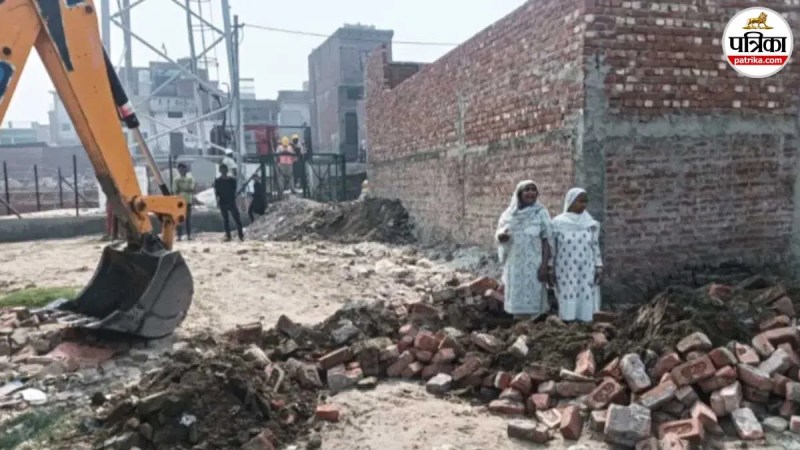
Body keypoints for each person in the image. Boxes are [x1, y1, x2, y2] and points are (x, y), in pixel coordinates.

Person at [496, 180, 552, 319]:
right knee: (517, 299)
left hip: (534, 264)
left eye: (534, 190)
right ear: (519, 194)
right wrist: (502, 237)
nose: (531, 192)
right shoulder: (508, 214)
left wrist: (545, 266)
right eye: (527, 190)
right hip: (515, 265)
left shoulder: (541, 213)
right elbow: (499, 234)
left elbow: (547, 240)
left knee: (535, 298)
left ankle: (536, 329)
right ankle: (520, 328)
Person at [549, 188, 603, 322]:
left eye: (585, 202)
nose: (583, 205)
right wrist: (550, 267)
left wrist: (599, 266)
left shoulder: (590, 223)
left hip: (586, 266)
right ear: (571, 202)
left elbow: (595, 245)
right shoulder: (557, 223)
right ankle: (567, 321)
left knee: (585, 291)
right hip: (565, 266)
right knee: (568, 291)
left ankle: (585, 321)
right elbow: (552, 247)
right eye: (580, 201)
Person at [214, 164, 244, 242]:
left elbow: (234, 190)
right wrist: (217, 202)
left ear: (227, 170)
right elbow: (216, 193)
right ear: (220, 171)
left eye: (225, 169)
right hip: (223, 202)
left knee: (237, 219)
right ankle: (228, 236)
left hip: (231, 202)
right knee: (226, 220)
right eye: (222, 170)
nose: (224, 171)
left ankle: (241, 236)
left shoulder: (232, 180)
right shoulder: (218, 181)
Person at [172, 163, 195, 241]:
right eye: (179, 169)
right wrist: (185, 190)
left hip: (188, 201)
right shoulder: (176, 179)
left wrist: (181, 190)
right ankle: (179, 236)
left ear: (185, 169)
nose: (181, 170)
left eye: (182, 169)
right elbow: (175, 190)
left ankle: (189, 235)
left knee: (188, 219)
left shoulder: (190, 178)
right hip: (179, 201)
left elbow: (191, 189)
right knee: (179, 219)